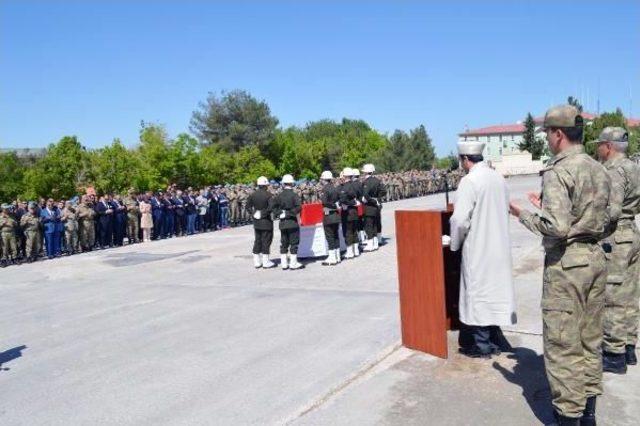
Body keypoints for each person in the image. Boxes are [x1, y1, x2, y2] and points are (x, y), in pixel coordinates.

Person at [509, 105, 611, 425]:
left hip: (567, 265)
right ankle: (589, 415)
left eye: (548, 134)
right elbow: (608, 218)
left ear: (558, 134)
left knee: (563, 346)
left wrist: (522, 214)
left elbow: (556, 228)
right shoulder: (598, 168)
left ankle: (568, 417)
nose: (548, 140)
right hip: (595, 258)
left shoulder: (558, 170)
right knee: (589, 339)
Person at [448, 141, 516, 359]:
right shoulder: (498, 178)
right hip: (499, 246)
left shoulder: (470, 181)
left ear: (465, 160)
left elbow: (459, 220)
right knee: (493, 292)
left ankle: (481, 345)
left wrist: (454, 244)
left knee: (477, 295)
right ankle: (496, 337)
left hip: (478, 246)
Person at [592, 127, 640, 373]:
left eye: (599, 144)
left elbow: (611, 211)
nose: (597, 148)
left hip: (616, 237)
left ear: (608, 146)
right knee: (630, 295)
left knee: (612, 296)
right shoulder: (633, 166)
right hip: (631, 232)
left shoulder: (614, 171)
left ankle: (614, 354)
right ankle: (629, 346)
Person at [273, 174, 303, 270]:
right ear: (292, 183)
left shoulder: (279, 196)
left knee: (284, 243)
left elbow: (273, 207)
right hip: (292, 222)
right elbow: (299, 207)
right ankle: (293, 264)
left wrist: (280, 213)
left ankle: (284, 264)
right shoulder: (294, 195)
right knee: (294, 243)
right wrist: (289, 213)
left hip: (283, 223)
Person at [246, 176, 276, 269]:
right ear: (266, 185)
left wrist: (254, 213)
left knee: (257, 240)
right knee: (266, 240)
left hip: (257, 222)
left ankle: (257, 262)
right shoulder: (269, 195)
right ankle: (265, 261)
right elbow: (271, 208)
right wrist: (263, 214)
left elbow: (247, 207)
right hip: (266, 221)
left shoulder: (252, 195)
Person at [361, 164, 386, 252]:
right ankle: (375, 243)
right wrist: (377, 198)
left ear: (365, 172)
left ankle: (370, 244)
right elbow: (384, 191)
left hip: (369, 206)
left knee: (369, 225)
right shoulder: (377, 180)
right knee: (375, 224)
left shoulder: (366, 182)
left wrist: (372, 200)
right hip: (376, 206)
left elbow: (366, 195)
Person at [319, 171, 341, 265]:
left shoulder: (325, 189)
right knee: (336, 236)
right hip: (336, 215)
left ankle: (332, 258)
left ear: (324, 179)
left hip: (329, 215)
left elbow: (324, 202)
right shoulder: (335, 188)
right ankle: (337, 256)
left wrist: (333, 206)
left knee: (330, 237)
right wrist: (335, 206)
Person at [339, 168, 360, 259]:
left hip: (347, 212)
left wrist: (348, 203)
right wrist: (355, 202)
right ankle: (356, 250)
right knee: (354, 231)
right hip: (355, 211)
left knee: (348, 232)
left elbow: (343, 200)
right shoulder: (356, 185)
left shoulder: (345, 187)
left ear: (345, 176)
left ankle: (350, 252)